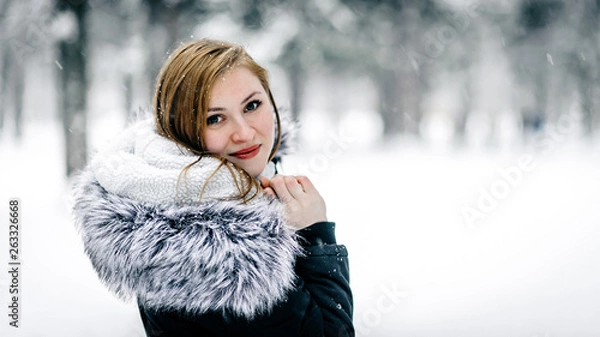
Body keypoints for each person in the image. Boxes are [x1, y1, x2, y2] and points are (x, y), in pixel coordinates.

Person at [71, 38, 354, 337]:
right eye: (215, 118)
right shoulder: (227, 254)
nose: (245, 133)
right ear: (182, 130)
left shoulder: (193, 191)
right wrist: (315, 233)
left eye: (252, 105)